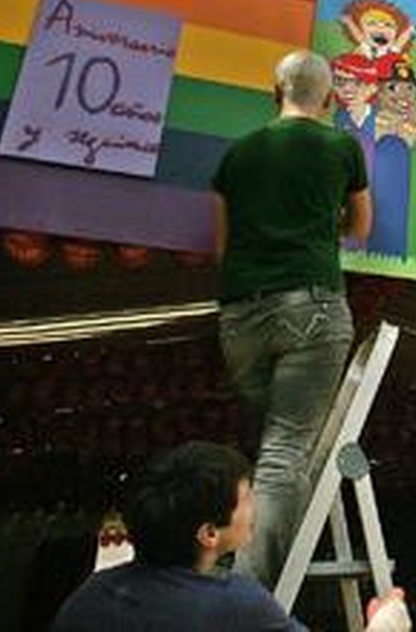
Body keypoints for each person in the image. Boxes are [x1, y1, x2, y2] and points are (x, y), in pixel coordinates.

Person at [212, 51, 372, 588]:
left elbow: (222, 243)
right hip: (312, 307)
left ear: (272, 91)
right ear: (328, 99)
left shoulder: (237, 155)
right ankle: (252, 593)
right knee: (285, 454)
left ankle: (242, 559)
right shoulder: (340, 146)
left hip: (240, 316)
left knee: (273, 447)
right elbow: (361, 225)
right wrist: (322, 230)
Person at [51, 441, 304, 630]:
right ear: (209, 534)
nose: (254, 507)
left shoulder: (91, 595)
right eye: (247, 499)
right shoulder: (237, 605)